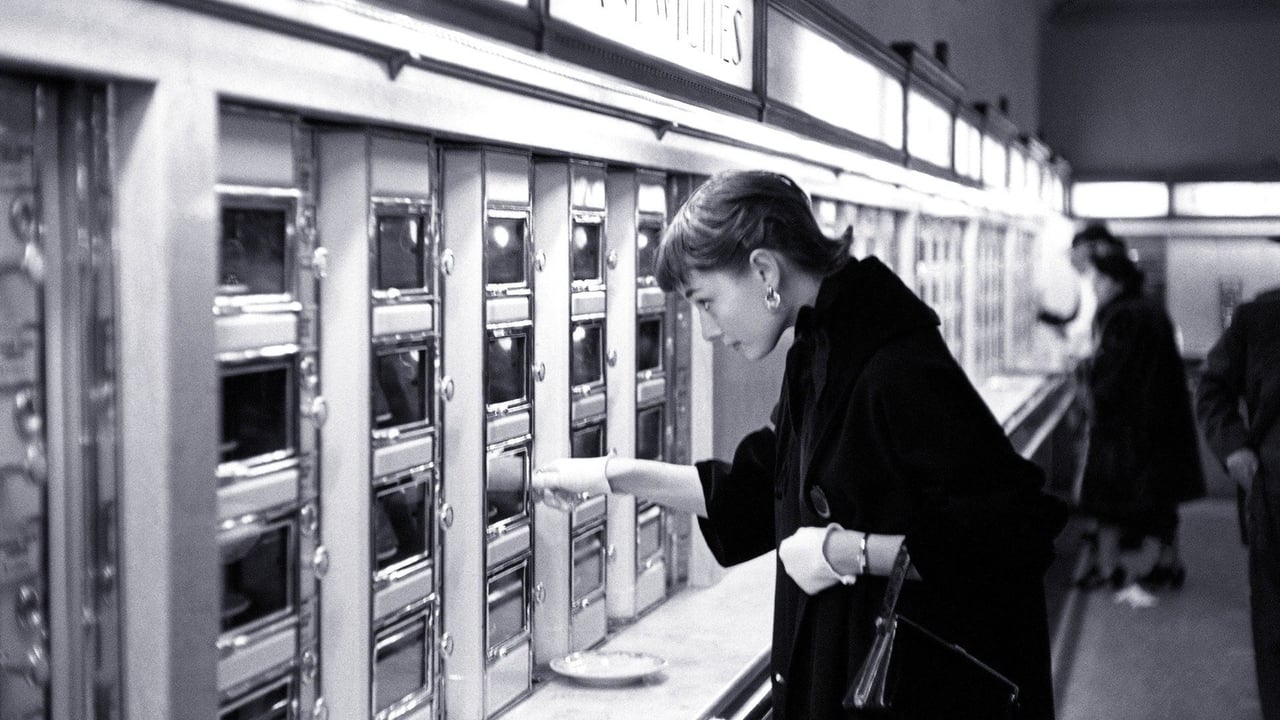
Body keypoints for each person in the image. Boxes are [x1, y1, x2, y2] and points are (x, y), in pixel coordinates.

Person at [533, 171, 1067, 719]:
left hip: (920, 695)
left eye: (707, 301)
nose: (708, 331)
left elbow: (1012, 537)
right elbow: (758, 486)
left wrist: (848, 551)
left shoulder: (892, 363)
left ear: (765, 270)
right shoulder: (821, 350)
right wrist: (610, 475)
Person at [1074, 252, 1205, 590]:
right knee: (1159, 500)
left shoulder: (1124, 316)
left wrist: (1087, 378)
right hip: (1158, 424)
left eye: (1100, 281)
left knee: (1107, 500)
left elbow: (1114, 377)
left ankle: (1107, 568)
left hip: (1128, 429)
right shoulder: (1148, 308)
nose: (1095, 287)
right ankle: (1168, 562)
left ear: (1116, 282)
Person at [1195, 285, 1280, 720]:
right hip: (1274, 500)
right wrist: (1234, 449)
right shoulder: (1261, 317)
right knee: (1275, 630)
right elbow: (1211, 389)